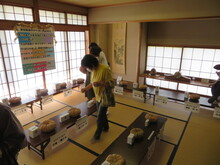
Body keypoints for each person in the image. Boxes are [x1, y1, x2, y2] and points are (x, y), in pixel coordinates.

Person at [80, 55, 115, 140]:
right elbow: (93, 83)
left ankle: (97, 134)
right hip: (98, 95)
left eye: (87, 67)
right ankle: (106, 127)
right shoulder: (93, 70)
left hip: (105, 95)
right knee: (102, 113)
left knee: (99, 115)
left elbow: (112, 84)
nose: (87, 69)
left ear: (92, 64)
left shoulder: (105, 69)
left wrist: (100, 84)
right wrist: (85, 89)